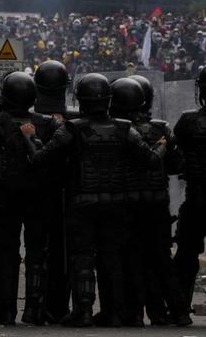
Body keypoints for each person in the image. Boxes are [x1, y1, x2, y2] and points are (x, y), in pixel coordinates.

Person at [29, 73, 166, 327]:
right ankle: (113, 312)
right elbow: (151, 160)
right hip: (117, 204)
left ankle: (83, 310)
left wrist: (31, 138)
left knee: (82, 256)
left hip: (81, 202)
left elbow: (42, 159)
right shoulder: (126, 129)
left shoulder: (71, 129)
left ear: (81, 100)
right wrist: (163, 144)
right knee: (111, 257)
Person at [0, 72, 57, 325]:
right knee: (37, 254)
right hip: (38, 197)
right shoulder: (47, 123)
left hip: (3, 197)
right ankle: (34, 311)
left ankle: (6, 311)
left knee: (7, 254)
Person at [110, 77, 188, 327]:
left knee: (131, 260)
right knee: (161, 261)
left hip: (127, 204)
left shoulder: (116, 129)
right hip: (157, 203)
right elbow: (177, 166)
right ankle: (174, 312)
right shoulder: (162, 128)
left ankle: (133, 315)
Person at [32, 60, 74, 323]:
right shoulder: (76, 119)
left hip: (37, 193)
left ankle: (36, 308)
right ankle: (59, 306)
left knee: (38, 251)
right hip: (69, 194)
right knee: (65, 253)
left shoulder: (28, 118)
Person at [172, 66, 206, 325]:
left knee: (186, 256)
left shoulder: (188, 120)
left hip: (197, 196)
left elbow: (175, 157)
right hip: (196, 194)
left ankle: (180, 309)